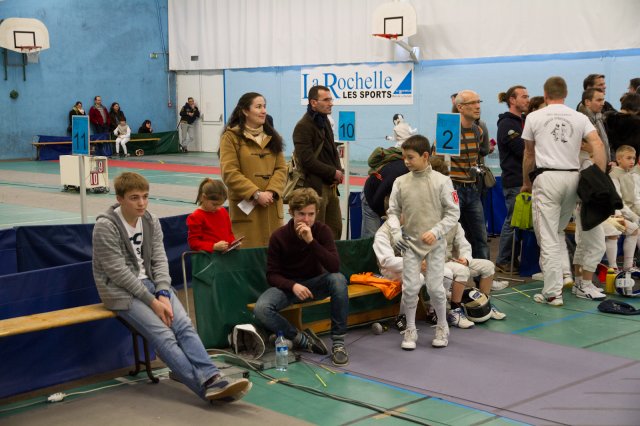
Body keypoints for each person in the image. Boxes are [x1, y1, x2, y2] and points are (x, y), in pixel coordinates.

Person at [92, 172, 251, 402]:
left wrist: (163, 292)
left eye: (145, 196)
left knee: (184, 325)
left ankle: (212, 378)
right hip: (121, 291)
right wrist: (153, 301)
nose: (142, 203)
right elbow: (118, 273)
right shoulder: (105, 226)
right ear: (119, 199)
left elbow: (159, 259)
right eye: (134, 198)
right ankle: (206, 388)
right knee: (164, 335)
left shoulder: (150, 221)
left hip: (152, 286)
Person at [522, 76, 606, 306]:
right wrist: (599, 178)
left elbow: (529, 154)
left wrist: (526, 182)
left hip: (548, 178)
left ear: (545, 94)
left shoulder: (534, 117)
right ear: (566, 94)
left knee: (547, 237)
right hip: (572, 178)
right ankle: (564, 278)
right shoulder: (579, 117)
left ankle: (552, 293)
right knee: (557, 232)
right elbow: (598, 144)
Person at [253, 187, 349, 366]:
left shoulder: (322, 231)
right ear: (291, 212)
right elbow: (272, 275)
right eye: (301, 214)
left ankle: (338, 343)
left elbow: (334, 266)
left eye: (311, 214)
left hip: (315, 285)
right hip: (288, 288)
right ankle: (301, 339)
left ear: (317, 213)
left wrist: (311, 241)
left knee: (338, 279)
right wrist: (293, 286)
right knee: (261, 309)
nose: (306, 219)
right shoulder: (279, 236)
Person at [386, 135, 460, 349]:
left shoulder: (442, 181)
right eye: (404, 157)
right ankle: (410, 329)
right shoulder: (400, 182)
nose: (406, 161)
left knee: (435, 289)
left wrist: (436, 231)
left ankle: (442, 326)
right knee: (410, 288)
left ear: (425, 155)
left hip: (435, 245)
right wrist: (396, 233)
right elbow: (393, 211)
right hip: (410, 244)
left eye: (410, 157)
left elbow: (453, 213)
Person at [219, 92, 287, 248]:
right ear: (245, 111)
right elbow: (230, 172)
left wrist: (271, 192)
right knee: (249, 256)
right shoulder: (230, 137)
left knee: (274, 255)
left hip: (272, 207)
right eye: (258, 107)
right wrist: (256, 194)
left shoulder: (273, 137)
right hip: (246, 211)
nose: (264, 111)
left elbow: (281, 168)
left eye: (264, 106)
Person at [292, 85, 344, 239]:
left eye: (331, 99)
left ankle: (331, 255)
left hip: (331, 186)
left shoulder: (324, 121)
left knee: (335, 231)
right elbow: (307, 161)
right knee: (315, 233)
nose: (331, 103)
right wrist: (333, 172)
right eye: (326, 100)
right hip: (315, 188)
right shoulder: (303, 126)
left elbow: (332, 150)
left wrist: (339, 171)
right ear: (313, 102)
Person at [451, 90, 490, 260]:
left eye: (478, 102)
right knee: (449, 237)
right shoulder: (449, 128)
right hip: (453, 189)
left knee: (481, 238)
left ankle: (484, 273)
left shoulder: (478, 131)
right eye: (472, 103)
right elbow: (436, 159)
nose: (477, 106)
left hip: (472, 188)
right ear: (460, 107)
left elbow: (480, 153)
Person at [444, 222, 507, 328]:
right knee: (462, 270)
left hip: (451, 261)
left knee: (488, 266)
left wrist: (465, 259)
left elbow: (464, 245)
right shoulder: (430, 222)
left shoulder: (455, 224)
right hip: (436, 264)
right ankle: (455, 311)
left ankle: (484, 303)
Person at [495, 85, 530, 274]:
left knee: (520, 222)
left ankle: (512, 259)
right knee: (512, 222)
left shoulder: (523, 121)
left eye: (527, 96)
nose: (527, 99)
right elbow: (522, 150)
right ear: (512, 100)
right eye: (523, 96)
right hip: (515, 180)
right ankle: (503, 260)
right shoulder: (507, 124)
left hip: (525, 179)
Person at [607, 145, 640, 272]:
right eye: (628, 158)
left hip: (626, 212)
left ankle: (628, 266)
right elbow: (618, 201)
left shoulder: (629, 175)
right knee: (614, 234)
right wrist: (634, 216)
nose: (632, 161)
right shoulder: (613, 175)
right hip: (613, 213)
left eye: (634, 158)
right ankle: (613, 267)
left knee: (634, 230)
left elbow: (634, 199)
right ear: (619, 159)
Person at [187, 178, 235, 253]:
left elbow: (229, 233)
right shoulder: (196, 217)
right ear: (203, 197)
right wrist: (213, 246)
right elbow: (193, 243)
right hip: (208, 257)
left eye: (220, 204)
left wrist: (233, 243)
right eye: (214, 204)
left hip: (225, 255)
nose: (218, 208)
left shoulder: (222, 211)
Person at [578, 88, 612, 163]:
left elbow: (607, 142)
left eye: (603, 100)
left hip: (604, 163)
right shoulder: (580, 121)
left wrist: (612, 160)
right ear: (587, 102)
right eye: (599, 100)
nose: (603, 103)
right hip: (588, 163)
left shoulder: (600, 118)